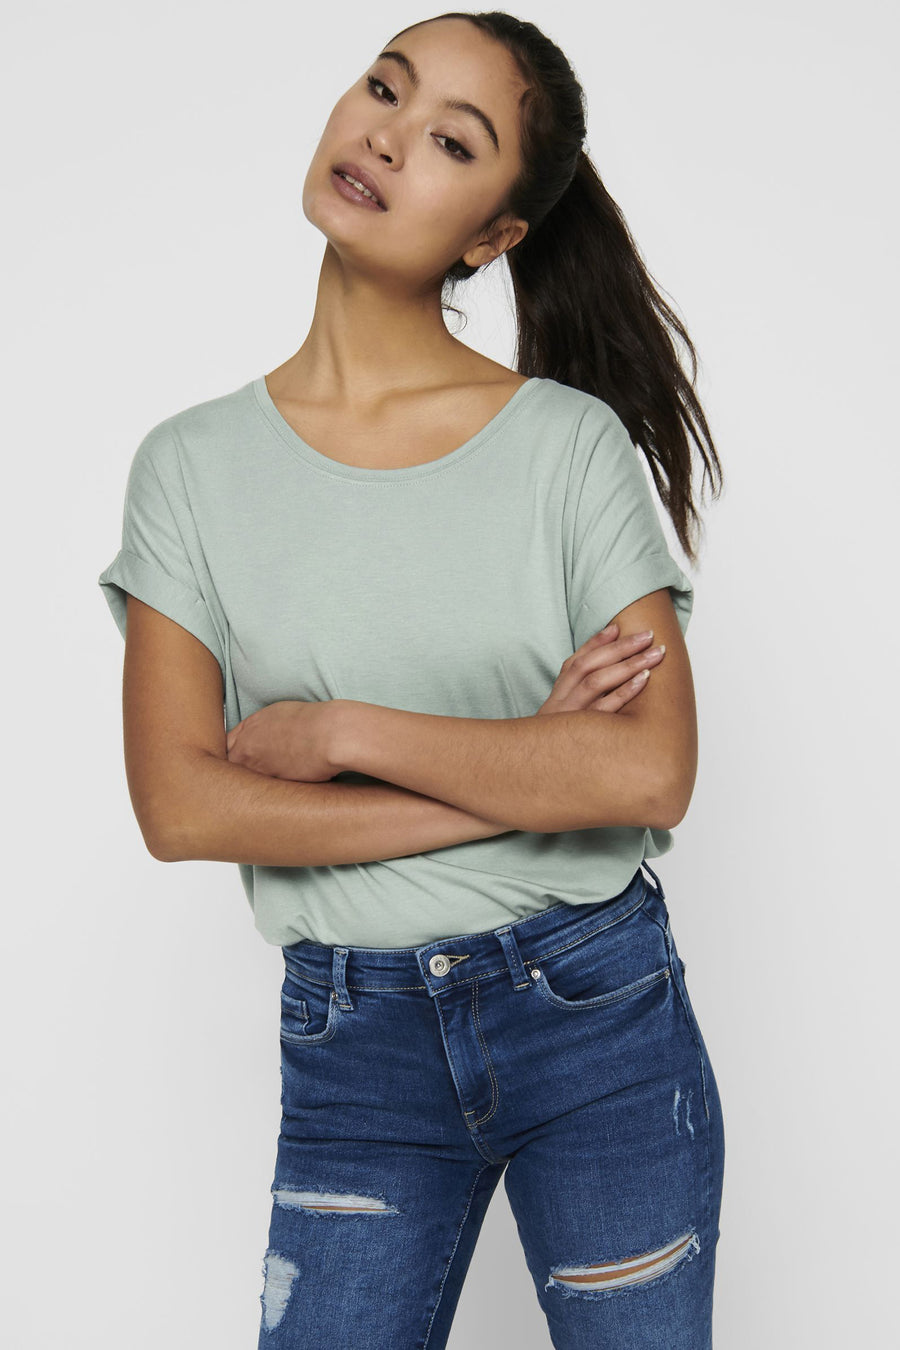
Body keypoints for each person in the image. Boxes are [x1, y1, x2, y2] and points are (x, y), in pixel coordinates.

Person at [98, 10, 726, 1347]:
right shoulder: (190, 468)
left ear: (493, 234)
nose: (387, 136)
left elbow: (648, 770)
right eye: (385, 88)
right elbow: (184, 808)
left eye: (452, 140)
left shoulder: (567, 448)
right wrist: (524, 770)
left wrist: (338, 734)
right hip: (356, 1035)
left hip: (594, 1012)